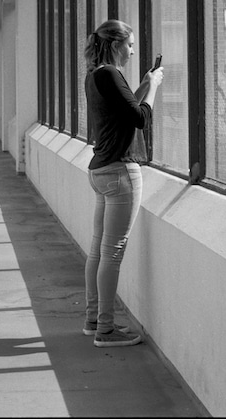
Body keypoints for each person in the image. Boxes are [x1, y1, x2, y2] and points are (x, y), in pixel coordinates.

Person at [82, 19, 163, 347]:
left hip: (100, 171)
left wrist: (143, 84)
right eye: (129, 44)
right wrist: (155, 86)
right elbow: (140, 118)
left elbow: (123, 110)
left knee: (98, 250)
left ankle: (92, 320)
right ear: (116, 45)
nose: (132, 50)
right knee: (112, 254)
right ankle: (105, 330)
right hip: (119, 173)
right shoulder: (111, 74)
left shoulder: (95, 75)